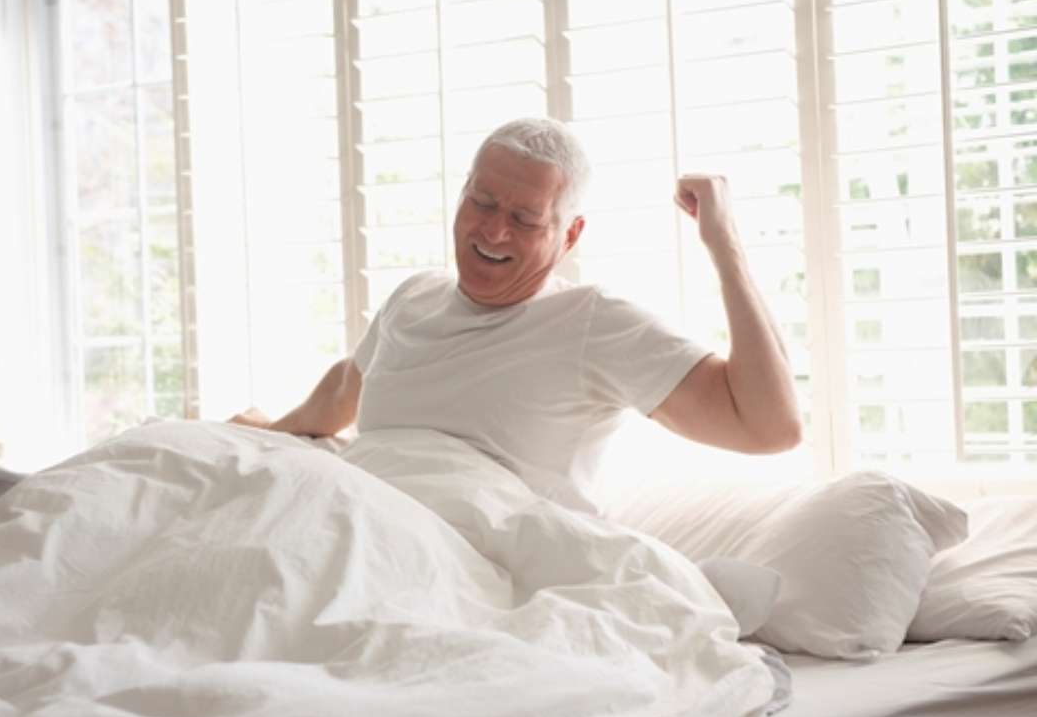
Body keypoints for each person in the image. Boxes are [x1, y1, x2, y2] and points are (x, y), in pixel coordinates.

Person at [229, 117, 802, 513]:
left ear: (569, 235)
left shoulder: (594, 325)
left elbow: (769, 427)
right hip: (366, 529)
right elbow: (346, 388)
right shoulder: (413, 298)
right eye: (481, 202)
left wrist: (724, 245)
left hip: (477, 565)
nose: (493, 231)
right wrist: (269, 433)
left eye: (525, 220)